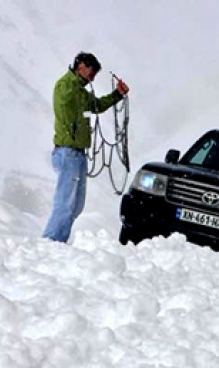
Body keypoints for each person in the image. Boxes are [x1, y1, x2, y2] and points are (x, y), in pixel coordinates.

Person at [43, 52, 130, 243]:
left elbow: (97, 105)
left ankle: (58, 239)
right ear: (80, 66)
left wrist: (117, 94)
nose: (92, 77)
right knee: (65, 202)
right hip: (67, 151)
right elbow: (65, 98)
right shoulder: (66, 85)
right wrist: (77, 79)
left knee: (76, 205)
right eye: (91, 71)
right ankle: (50, 241)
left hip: (78, 153)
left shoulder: (80, 91)